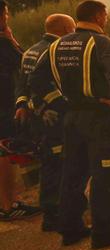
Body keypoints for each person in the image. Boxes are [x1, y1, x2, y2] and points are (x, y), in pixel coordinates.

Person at [29, 0, 110, 248]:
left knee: (73, 173)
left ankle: (70, 229)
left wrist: (59, 103)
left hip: (71, 119)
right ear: (99, 16)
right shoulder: (101, 43)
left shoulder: (57, 46)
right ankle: (104, 232)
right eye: (106, 15)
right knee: (107, 173)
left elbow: (36, 79)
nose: (107, 20)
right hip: (100, 119)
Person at [12, 13, 76, 231]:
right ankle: (53, 214)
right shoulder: (54, 51)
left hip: (36, 117)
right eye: (73, 28)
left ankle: (53, 210)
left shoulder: (30, 50)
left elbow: (21, 84)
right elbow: (38, 84)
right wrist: (64, 106)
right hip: (53, 118)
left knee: (50, 161)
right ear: (67, 29)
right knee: (56, 164)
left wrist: (22, 105)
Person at [1, 0, 42, 221]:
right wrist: (12, 39)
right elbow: (26, 63)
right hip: (3, 102)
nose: (7, 18)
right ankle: (8, 207)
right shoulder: (3, 42)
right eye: (5, 14)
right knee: (5, 151)